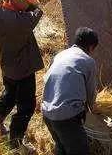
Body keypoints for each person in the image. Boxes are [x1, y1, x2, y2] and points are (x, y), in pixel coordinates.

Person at [0, 0, 44, 154]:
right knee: (26, 105)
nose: (28, 4)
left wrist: (19, 3)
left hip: (8, 66)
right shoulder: (17, 20)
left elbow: (24, 10)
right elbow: (36, 13)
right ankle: (17, 143)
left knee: (10, 95)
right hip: (22, 69)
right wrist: (35, 6)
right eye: (25, 1)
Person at [42, 27, 98, 155]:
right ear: (91, 47)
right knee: (80, 150)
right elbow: (91, 95)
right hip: (66, 116)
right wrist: (93, 110)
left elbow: (49, 80)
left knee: (61, 147)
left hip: (47, 112)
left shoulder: (60, 55)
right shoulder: (88, 61)